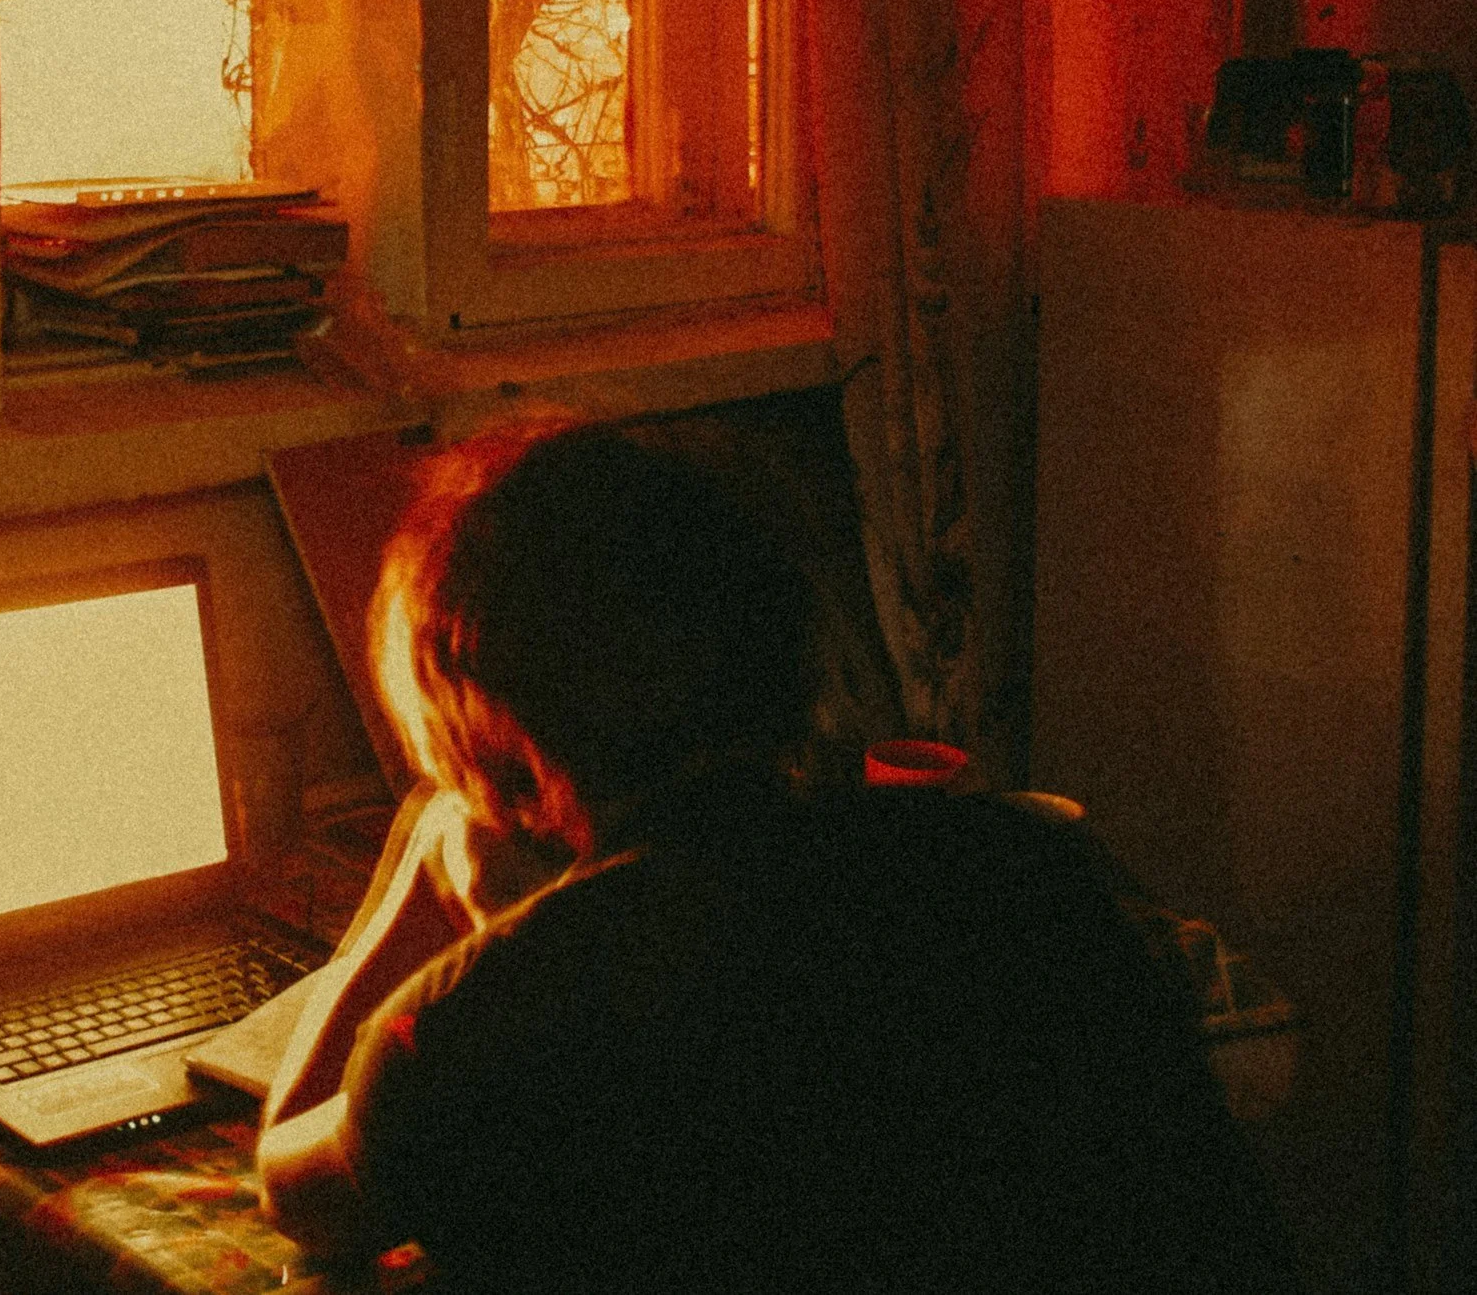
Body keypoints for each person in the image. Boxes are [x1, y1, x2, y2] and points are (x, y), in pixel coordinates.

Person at [255, 417, 1297, 1293]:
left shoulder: (465, 1037)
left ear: (496, 750)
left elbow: (288, 1181)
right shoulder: (1023, 867)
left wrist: (424, 863)